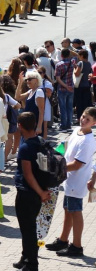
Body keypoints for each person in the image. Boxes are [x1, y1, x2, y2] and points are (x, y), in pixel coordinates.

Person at [45, 107, 96, 258]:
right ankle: (63, 239)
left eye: (87, 119)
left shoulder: (88, 141)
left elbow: (76, 165)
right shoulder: (76, 131)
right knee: (67, 209)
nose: (83, 120)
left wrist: (55, 168)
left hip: (77, 181)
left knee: (75, 211)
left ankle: (77, 246)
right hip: (68, 179)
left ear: (94, 123)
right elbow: (66, 149)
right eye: (82, 116)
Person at [10, 112, 52, 271]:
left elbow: (28, 174)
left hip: (28, 193)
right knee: (28, 228)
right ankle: (25, 258)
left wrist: (41, 192)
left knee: (28, 230)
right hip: (37, 192)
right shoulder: (42, 142)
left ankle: (31, 266)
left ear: (20, 126)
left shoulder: (26, 147)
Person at [55, 48, 77, 130]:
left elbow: (58, 78)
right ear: (69, 55)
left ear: (61, 55)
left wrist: (65, 86)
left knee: (62, 107)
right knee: (69, 106)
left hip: (62, 88)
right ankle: (69, 124)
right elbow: (76, 55)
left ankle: (63, 124)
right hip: (71, 87)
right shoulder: (72, 63)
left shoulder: (59, 65)